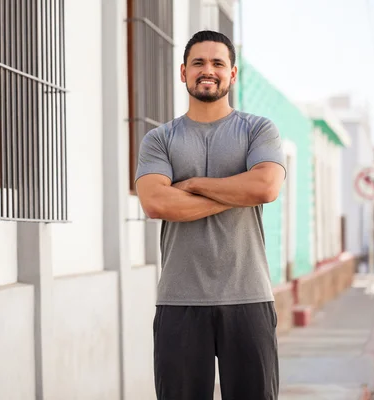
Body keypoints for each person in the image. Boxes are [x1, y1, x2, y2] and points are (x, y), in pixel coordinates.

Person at [135, 30, 286, 400]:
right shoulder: (160, 139)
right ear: (183, 71)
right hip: (179, 300)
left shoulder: (258, 129)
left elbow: (265, 187)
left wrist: (192, 184)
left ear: (232, 74)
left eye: (218, 63)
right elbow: (157, 203)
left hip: (248, 297)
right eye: (199, 62)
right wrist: (239, 192)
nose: (209, 70)